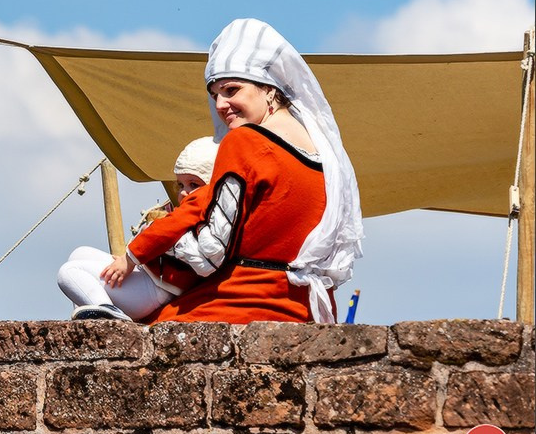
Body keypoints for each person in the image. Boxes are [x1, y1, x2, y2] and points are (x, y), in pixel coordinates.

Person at [101, 17, 363, 324]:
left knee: (79, 274)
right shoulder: (324, 154)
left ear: (268, 88)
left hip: (240, 301)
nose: (221, 104)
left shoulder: (245, 141)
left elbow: (210, 251)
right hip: (302, 308)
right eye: (215, 95)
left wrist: (156, 238)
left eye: (231, 89)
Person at [56, 136, 219, 321]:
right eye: (180, 184)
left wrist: (128, 260)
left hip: (156, 290)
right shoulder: (197, 205)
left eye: (193, 184)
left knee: (68, 273)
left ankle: (108, 315)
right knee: (80, 253)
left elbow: (163, 231)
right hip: (151, 276)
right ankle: (95, 308)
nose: (183, 192)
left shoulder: (202, 203)